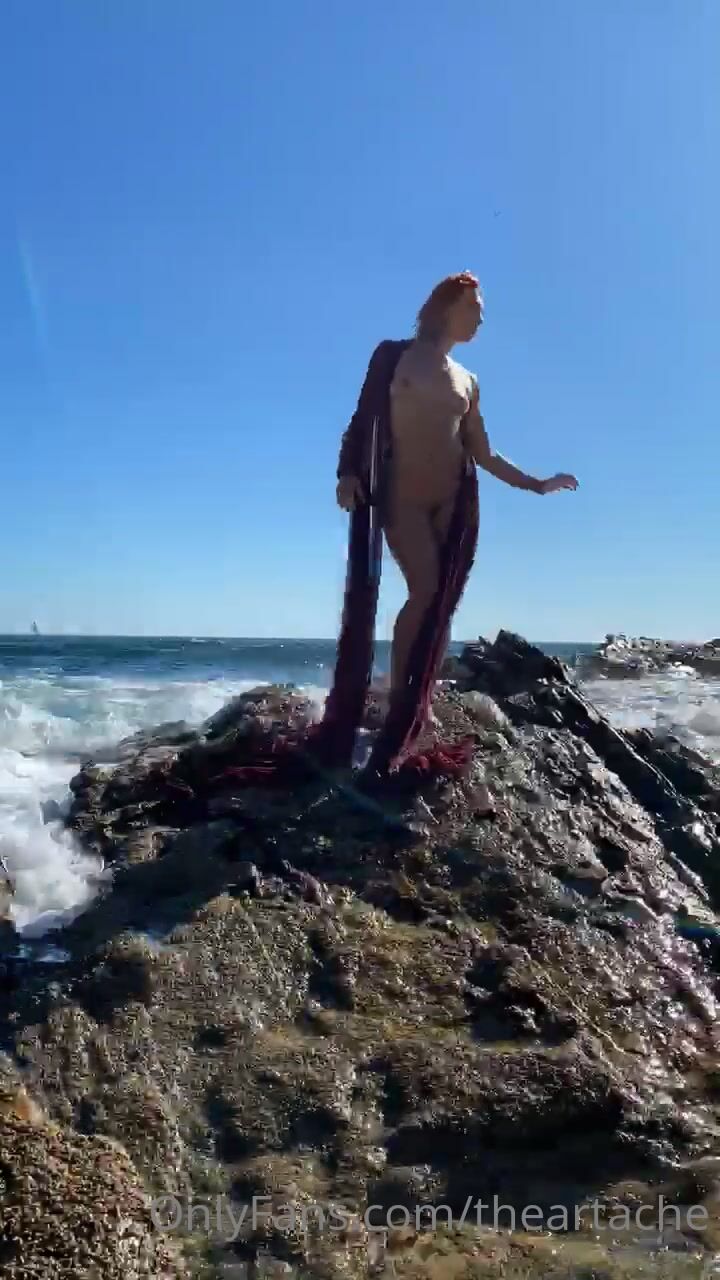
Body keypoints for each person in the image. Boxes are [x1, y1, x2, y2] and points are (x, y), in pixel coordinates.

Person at [327, 273, 577, 788]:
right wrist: (347, 473)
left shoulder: (468, 380)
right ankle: (399, 697)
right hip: (401, 499)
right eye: (474, 308)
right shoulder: (392, 356)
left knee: (439, 602)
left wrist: (537, 484)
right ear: (445, 308)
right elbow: (361, 419)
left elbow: (482, 452)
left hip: (452, 501)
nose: (481, 318)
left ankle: (417, 698)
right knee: (423, 590)